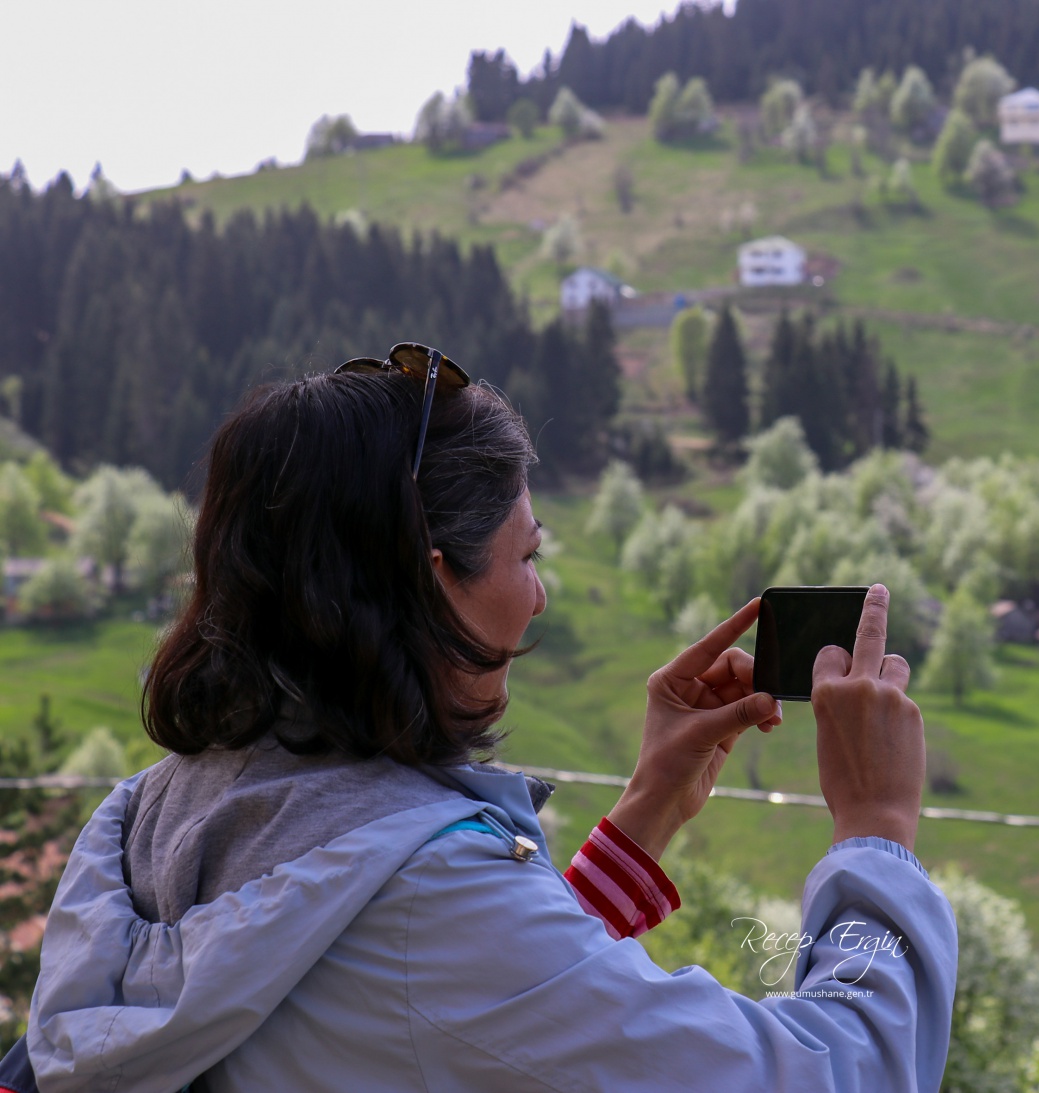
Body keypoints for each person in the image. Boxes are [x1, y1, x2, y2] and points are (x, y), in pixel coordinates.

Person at [24, 350, 956, 1090]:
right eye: (526, 553)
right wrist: (877, 834)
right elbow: (844, 1072)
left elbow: (444, 1018)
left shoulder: (152, 814)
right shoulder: (429, 903)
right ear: (435, 581)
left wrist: (648, 811)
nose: (539, 596)